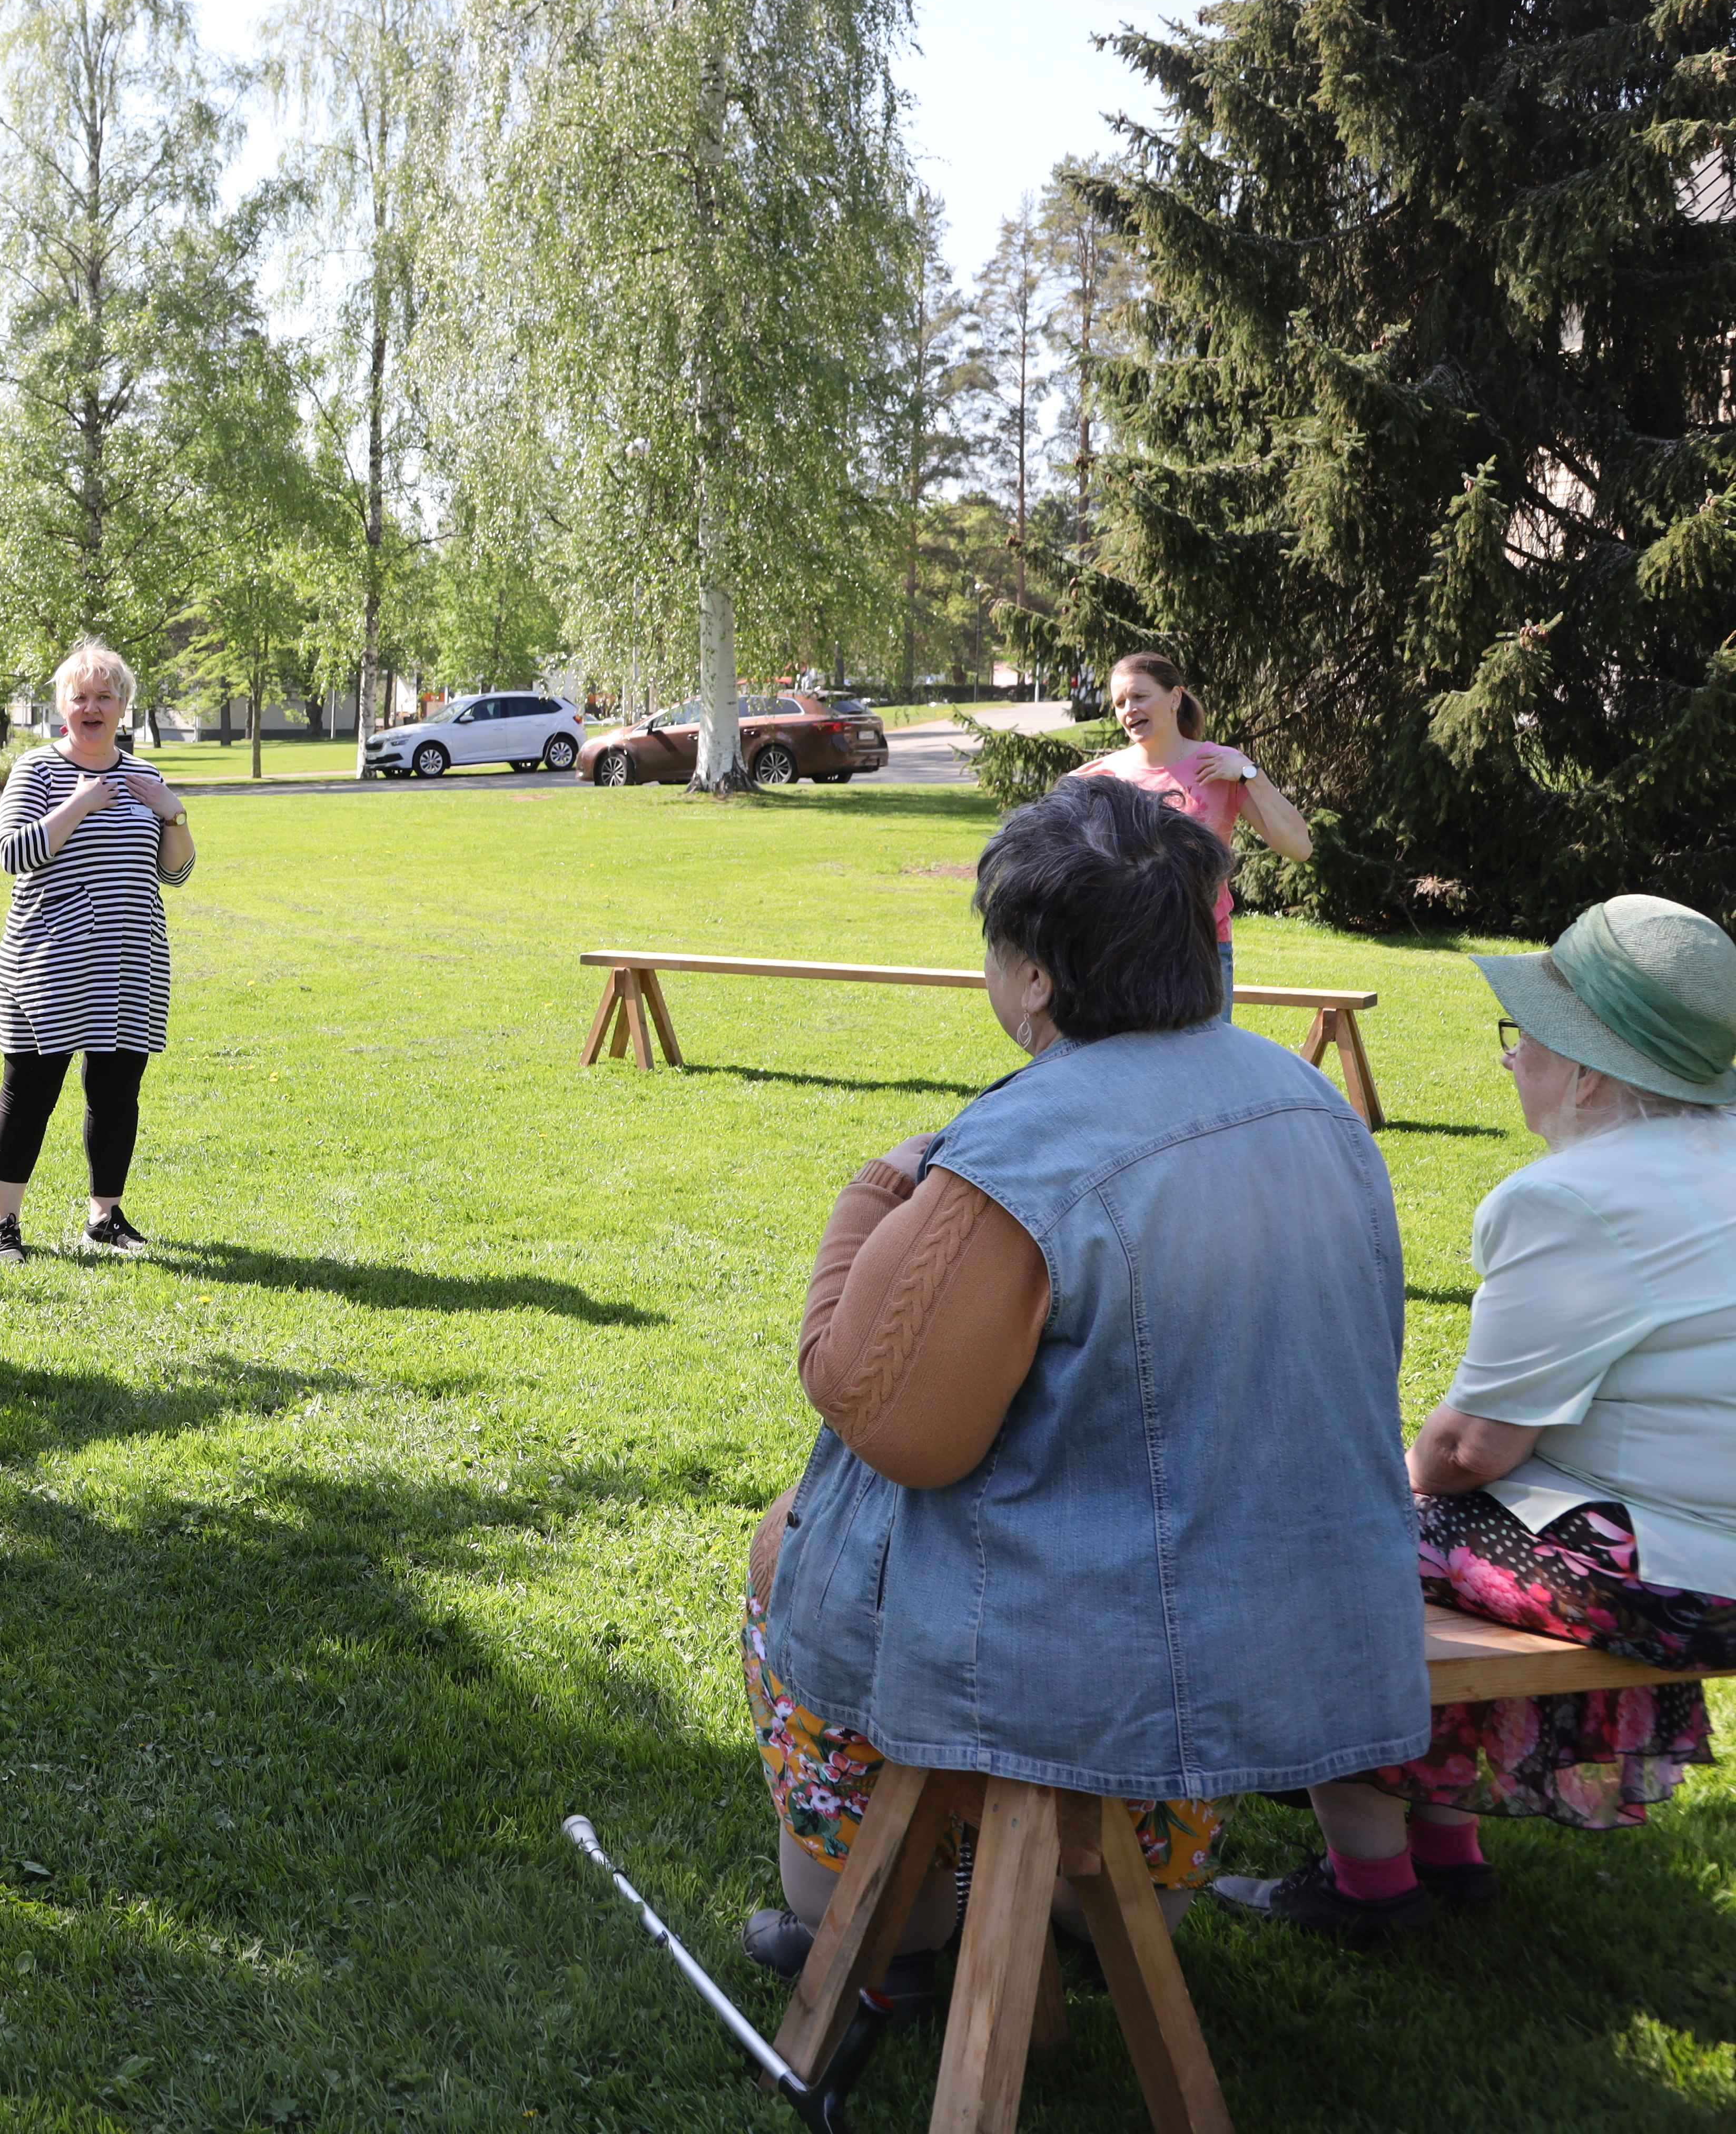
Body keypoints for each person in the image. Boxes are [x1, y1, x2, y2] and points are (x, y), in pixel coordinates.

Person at [742, 774, 1425, 1977]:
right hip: (1281, 1629)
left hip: (1084, 1658)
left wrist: (874, 1189)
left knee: (788, 1539)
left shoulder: (1020, 1149)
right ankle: (1127, 1894)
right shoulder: (1314, 1104)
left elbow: (890, 1421)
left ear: (1037, 976)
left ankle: (889, 1917)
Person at [1216, 894, 1736, 1941]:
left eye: (1526, 1038)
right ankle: (1448, 1848)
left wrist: (1388, 1489)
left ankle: (1371, 1882)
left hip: (1671, 1572)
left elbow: (1468, 1447)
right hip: (1701, 1550)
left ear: (1589, 1064)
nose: (1511, 1062)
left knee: (1317, 1533)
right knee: (1448, 1539)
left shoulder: (1572, 1197)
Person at [0, 641, 195, 1262]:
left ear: (125, 706)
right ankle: (5, 1226)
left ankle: (104, 1217)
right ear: (62, 706)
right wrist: (79, 803)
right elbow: (13, 855)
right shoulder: (37, 771)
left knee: (116, 1095)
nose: (93, 706)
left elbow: (176, 873)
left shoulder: (145, 777)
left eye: (106, 696)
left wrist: (173, 814)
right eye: (81, 696)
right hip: (46, 965)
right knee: (29, 1094)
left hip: (132, 963)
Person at [1067, 650, 1313, 1015]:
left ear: (1175, 698)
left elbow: (1299, 847)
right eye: (1120, 702)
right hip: (1124, 954)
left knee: (1204, 1071)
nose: (1129, 709)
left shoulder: (1220, 766)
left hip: (1202, 954)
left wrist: (1250, 774)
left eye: (1139, 696)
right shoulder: (1102, 779)